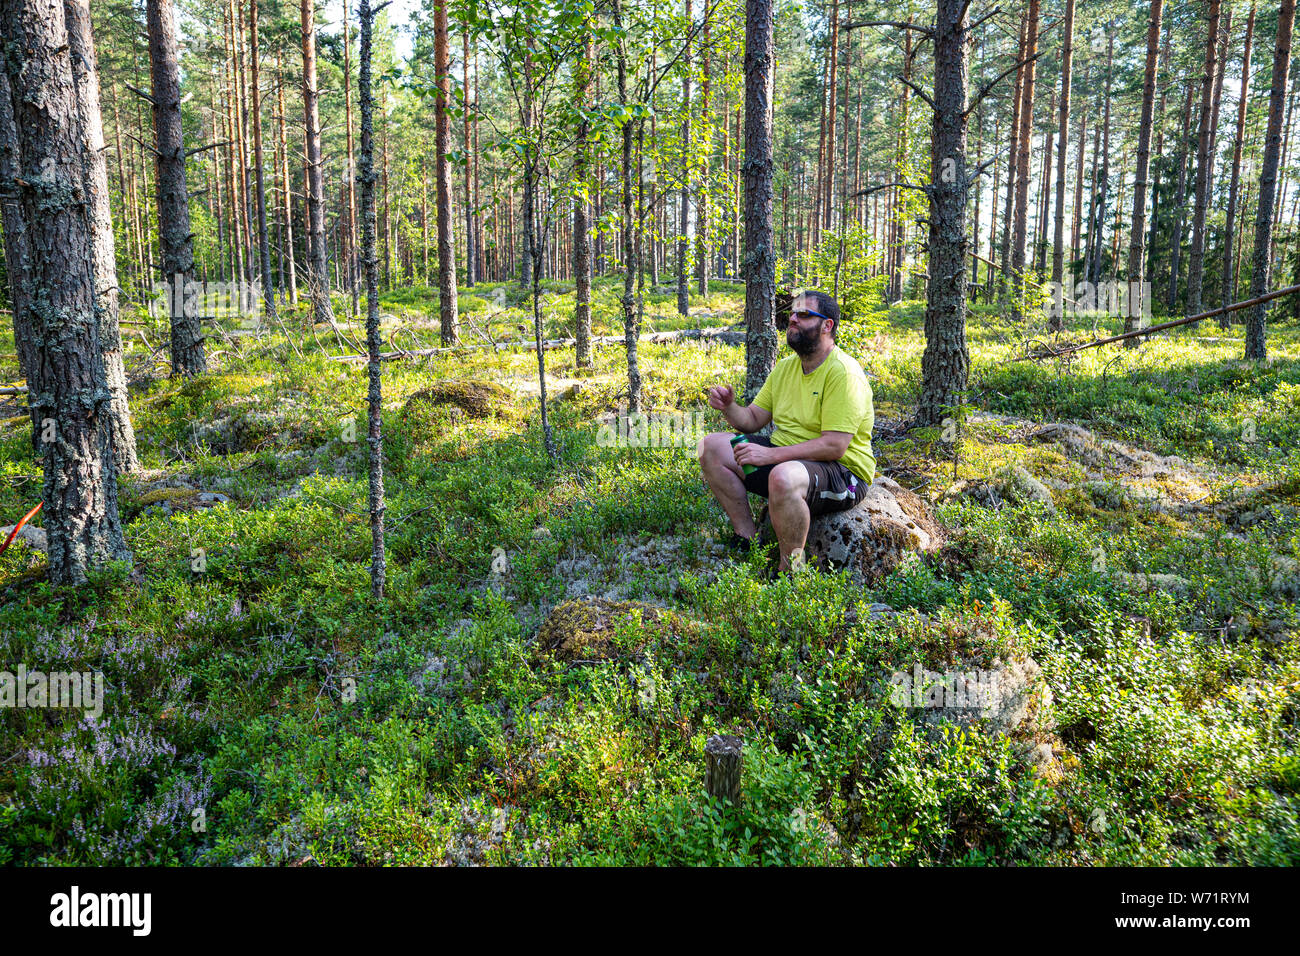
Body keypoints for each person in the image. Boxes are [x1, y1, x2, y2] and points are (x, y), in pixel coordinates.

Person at [698, 289, 876, 574]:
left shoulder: (843, 373)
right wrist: (730, 407)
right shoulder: (785, 368)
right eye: (792, 314)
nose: (792, 319)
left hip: (842, 472)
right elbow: (752, 419)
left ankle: (790, 571)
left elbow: (834, 446)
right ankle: (747, 539)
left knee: (783, 476)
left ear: (827, 325)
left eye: (804, 315)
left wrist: (770, 455)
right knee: (710, 447)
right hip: (788, 461)